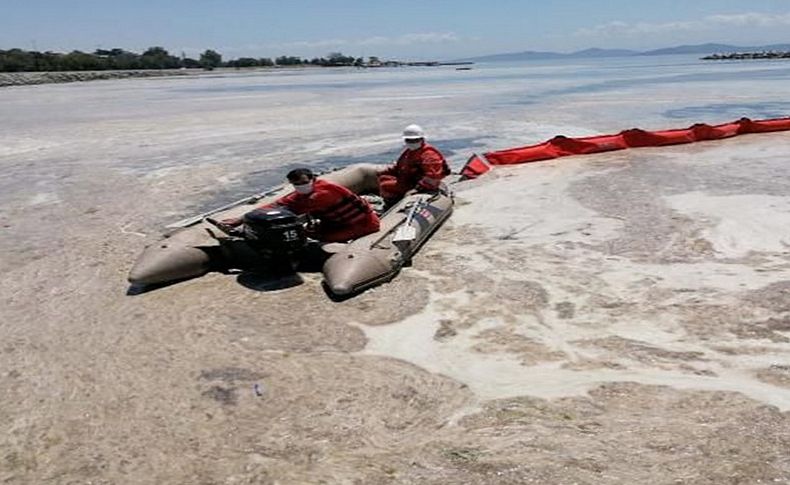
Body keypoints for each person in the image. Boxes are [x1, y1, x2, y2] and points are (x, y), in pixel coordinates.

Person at [223, 168, 380, 242]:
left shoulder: (323, 193)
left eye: (304, 182)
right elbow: (280, 202)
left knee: (317, 237)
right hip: (338, 222)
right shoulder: (306, 193)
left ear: (312, 179)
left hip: (363, 224)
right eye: (296, 184)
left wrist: (246, 219)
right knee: (308, 231)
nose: (300, 186)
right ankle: (244, 231)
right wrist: (241, 218)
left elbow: (289, 209)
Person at [378, 124, 451, 204]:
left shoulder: (429, 155)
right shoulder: (409, 152)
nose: (412, 143)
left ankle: (394, 203)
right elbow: (400, 166)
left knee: (386, 185)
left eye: (415, 140)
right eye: (409, 140)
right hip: (411, 181)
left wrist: (416, 190)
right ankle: (392, 202)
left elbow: (432, 177)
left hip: (423, 185)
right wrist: (385, 171)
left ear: (421, 139)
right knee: (384, 179)